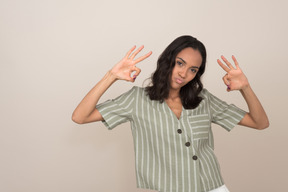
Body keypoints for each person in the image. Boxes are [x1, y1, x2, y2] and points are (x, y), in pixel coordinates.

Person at [72, 35, 269, 192]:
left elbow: (260, 123)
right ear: (168, 61)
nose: (184, 74)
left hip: (213, 187)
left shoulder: (203, 99)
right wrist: (111, 76)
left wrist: (245, 87)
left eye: (193, 70)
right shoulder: (136, 100)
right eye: (180, 63)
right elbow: (80, 117)